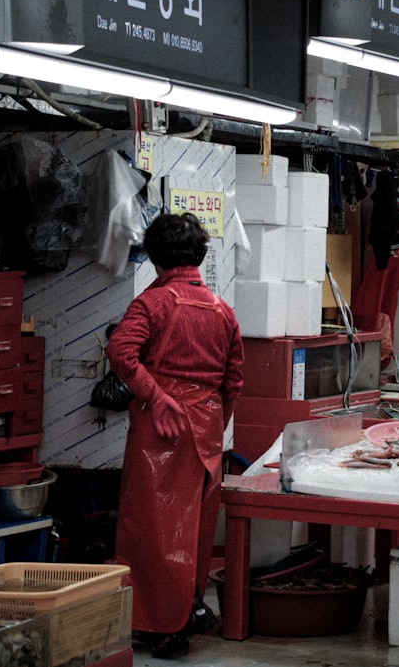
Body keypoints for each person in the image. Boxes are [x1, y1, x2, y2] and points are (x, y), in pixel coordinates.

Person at [106, 212, 244, 658]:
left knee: (152, 530)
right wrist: (213, 427)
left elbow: (120, 350)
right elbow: (233, 381)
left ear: (154, 256)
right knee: (194, 531)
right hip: (205, 427)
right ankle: (182, 615)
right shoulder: (223, 312)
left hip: (159, 430)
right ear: (200, 255)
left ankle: (159, 624)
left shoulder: (153, 304)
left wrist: (157, 396)